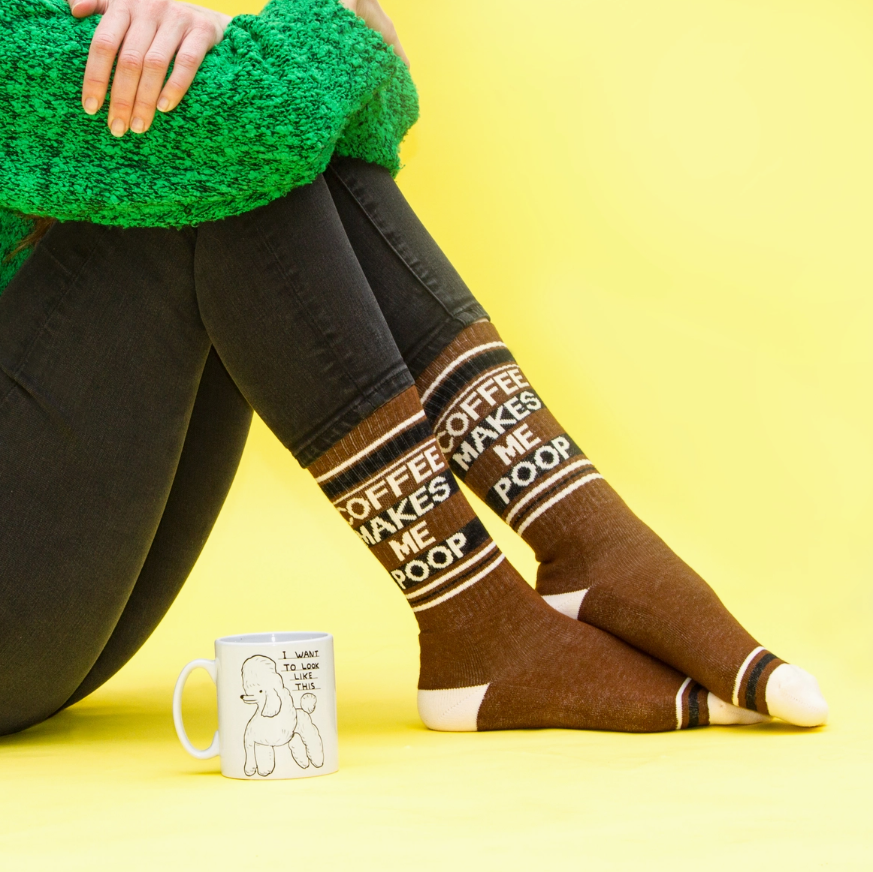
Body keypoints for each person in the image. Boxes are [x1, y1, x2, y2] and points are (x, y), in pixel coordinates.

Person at [0, 0, 828, 737]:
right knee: (219, 147)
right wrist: (331, 18)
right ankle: (523, 584)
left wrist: (270, 49)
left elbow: (367, 129)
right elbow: (275, 116)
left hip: (53, 614)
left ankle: (544, 568)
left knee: (228, 144)